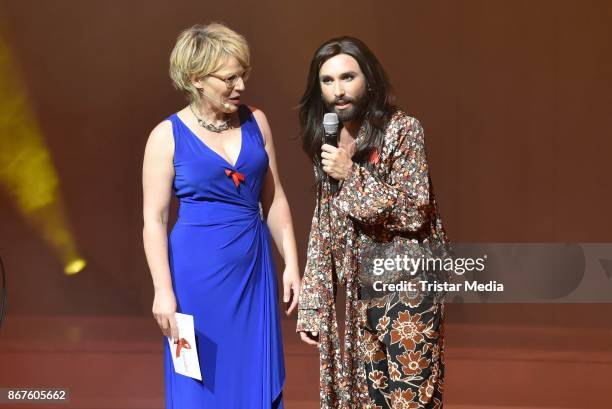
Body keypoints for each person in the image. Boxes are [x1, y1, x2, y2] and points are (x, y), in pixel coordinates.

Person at [142, 23, 301, 408]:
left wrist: (292, 263)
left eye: (242, 75)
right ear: (197, 79)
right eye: (230, 77)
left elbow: (274, 196)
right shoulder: (166, 135)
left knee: (254, 379)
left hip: (253, 272)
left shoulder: (256, 121)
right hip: (195, 277)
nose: (241, 85)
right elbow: (154, 220)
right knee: (199, 384)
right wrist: (163, 290)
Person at [296, 37, 450, 408]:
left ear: (369, 79)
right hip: (358, 295)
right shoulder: (328, 141)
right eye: (328, 81)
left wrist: (352, 175)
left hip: (408, 291)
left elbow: (415, 210)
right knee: (364, 400)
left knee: (410, 400)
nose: (338, 90)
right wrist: (314, 303)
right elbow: (324, 224)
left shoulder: (403, 130)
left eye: (348, 77)